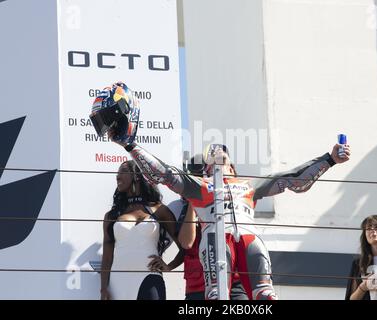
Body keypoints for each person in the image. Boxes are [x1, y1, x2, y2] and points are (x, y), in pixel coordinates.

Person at [92, 82, 350, 300]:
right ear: (205, 169)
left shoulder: (249, 185)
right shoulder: (202, 187)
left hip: (248, 244)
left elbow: (293, 180)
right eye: (211, 156)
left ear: (233, 165)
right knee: (217, 289)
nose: (217, 156)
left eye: (223, 155)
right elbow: (165, 174)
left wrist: (329, 159)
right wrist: (130, 146)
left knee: (265, 291)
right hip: (217, 249)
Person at [167, 155, 248, 300]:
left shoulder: (234, 200)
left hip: (233, 280)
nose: (198, 180)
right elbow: (186, 245)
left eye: (202, 176)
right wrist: (196, 198)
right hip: (196, 286)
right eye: (193, 177)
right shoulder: (180, 206)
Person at [100, 160, 184, 300]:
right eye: (117, 173)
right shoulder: (112, 216)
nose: (118, 176)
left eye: (123, 171)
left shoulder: (159, 210)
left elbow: (185, 246)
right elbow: (107, 258)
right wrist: (103, 289)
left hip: (150, 277)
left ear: (137, 176)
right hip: (118, 283)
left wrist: (169, 266)